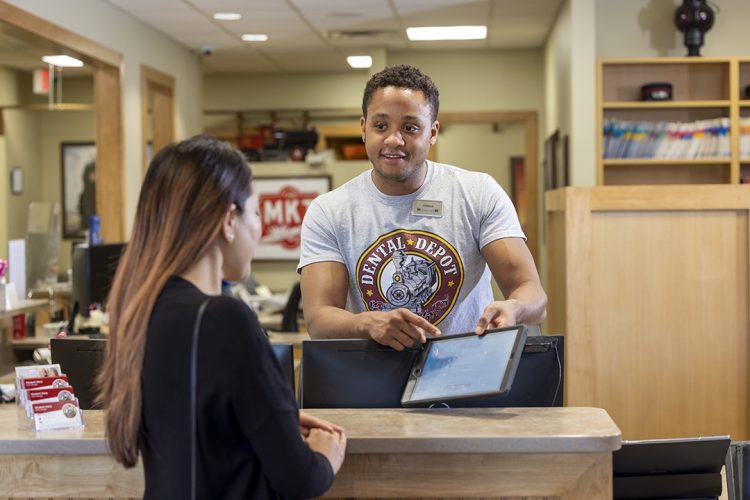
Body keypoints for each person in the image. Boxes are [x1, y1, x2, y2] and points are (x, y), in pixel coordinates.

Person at [97, 135, 346, 499]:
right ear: (230, 219)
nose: (259, 227)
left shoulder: (138, 310)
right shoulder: (224, 318)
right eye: (256, 211)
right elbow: (302, 479)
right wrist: (327, 454)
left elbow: (198, 427)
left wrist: (277, 421)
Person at [298, 64, 547, 351]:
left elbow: (533, 294)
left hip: (467, 373)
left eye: (410, 127)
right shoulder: (330, 211)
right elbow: (318, 319)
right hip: (377, 378)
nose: (394, 139)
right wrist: (368, 323)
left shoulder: (477, 193)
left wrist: (514, 309)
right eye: (381, 126)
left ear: (432, 132)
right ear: (363, 128)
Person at [78, 161, 96, 230]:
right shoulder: (85, 195)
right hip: (89, 227)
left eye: (95, 173)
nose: (93, 176)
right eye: (92, 174)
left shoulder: (99, 193)